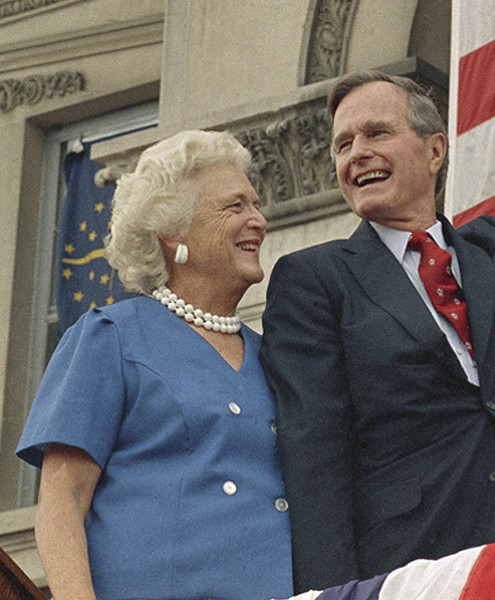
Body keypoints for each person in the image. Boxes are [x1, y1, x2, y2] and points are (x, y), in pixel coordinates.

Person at [259, 70, 495, 593]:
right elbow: (314, 462)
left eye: (376, 133)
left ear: (434, 150)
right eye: (343, 144)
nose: (357, 154)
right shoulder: (314, 281)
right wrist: (331, 592)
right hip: (425, 562)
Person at [16, 130, 293, 600]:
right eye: (235, 207)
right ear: (172, 232)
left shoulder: (276, 358)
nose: (259, 220)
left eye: (256, 204)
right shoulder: (111, 337)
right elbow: (62, 501)